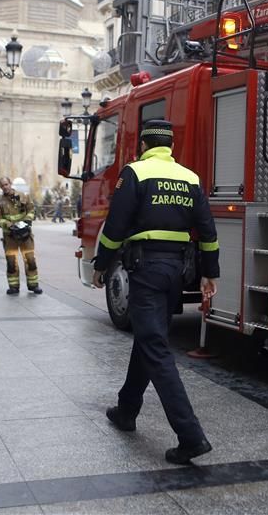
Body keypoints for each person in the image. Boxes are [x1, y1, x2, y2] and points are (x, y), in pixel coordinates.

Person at [91, 119, 220, 465]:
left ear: (144, 145)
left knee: (156, 348)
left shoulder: (135, 173)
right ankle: (127, 409)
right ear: (171, 147)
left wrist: (100, 264)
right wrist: (210, 272)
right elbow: (207, 230)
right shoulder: (190, 178)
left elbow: (115, 226)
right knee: (150, 338)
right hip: (177, 270)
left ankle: (190, 436)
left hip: (146, 269)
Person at [0, 176, 42, 295]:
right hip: (10, 236)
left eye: (6, 184)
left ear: (10, 184)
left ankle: (33, 285)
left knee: (30, 260)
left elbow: (31, 210)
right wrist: (9, 225)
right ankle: (14, 287)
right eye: (2, 185)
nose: (5, 187)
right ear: (0, 187)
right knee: (11, 262)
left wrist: (26, 222)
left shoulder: (23, 196)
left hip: (25, 235)